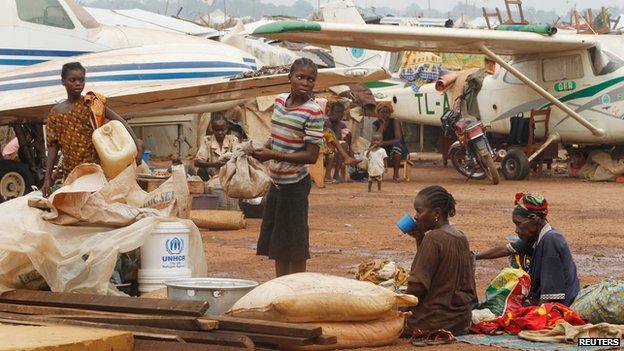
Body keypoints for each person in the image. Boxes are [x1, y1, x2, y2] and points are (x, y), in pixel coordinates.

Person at [252, 58, 324, 277]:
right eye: (300, 77)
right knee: (278, 241)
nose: (305, 82)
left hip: (295, 184)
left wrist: (272, 154)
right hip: (276, 181)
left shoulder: (313, 112)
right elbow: (276, 137)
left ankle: (296, 288)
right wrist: (260, 150)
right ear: (289, 78)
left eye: (310, 79)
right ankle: (280, 286)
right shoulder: (280, 101)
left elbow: (311, 156)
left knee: (295, 242)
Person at [42, 62, 143, 197]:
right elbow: (52, 146)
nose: (78, 83)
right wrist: (47, 178)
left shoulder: (91, 104)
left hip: (95, 168)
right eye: (72, 80)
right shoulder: (55, 113)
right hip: (71, 172)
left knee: (96, 203)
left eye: (81, 80)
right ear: (63, 82)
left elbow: (119, 121)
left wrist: (136, 144)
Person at [476, 192, 580, 306]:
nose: (516, 230)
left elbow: (550, 298)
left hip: (560, 307)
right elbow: (506, 249)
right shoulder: (536, 238)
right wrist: (474, 256)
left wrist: (534, 315)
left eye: (518, 224)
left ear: (534, 219)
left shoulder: (551, 240)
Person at [405, 186, 476, 341]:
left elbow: (417, 286)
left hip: (433, 321)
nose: (415, 217)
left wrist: (398, 307)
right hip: (460, 320)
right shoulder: (460, 237)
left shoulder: (433, 238)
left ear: (436, 213)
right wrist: (419, 238)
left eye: (419, 211)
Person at [195, 115, 239, 182]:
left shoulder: (233, 140)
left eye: (222, 130)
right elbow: (197, 161)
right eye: (217, 130)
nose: (220, 133)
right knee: (201, 171)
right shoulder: (207, 140)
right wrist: (213, 164)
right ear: (212, 129)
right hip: (211, 177)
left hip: (229, 177)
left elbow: (238, 158)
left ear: (227, 128)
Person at [372, 101, 408, 182]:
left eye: (387, 112)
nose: (384, 114)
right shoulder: (375, 124)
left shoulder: (395, 121)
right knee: (375, 150)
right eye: (382, 112)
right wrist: (383, 124)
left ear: (390, 113)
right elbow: (376, 139)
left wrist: (382, 143)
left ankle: (395, 175)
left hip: (397, 147)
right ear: (378, 113)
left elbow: (398, 139)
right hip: (383, 148)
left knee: (396, 147)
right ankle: (377, 174)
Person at [323, 102, 349, 183]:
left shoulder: (343, 125)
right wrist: (337, 123)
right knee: (331, 147)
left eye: (341, 112)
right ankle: (327, 175)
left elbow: (340, 139)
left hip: (335, 147)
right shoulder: (326, 122)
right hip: (323, 145)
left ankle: (336, 173)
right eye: (336, 112)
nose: (339, 114)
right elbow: (333, 137)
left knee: (344, 145)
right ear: (331, 112)